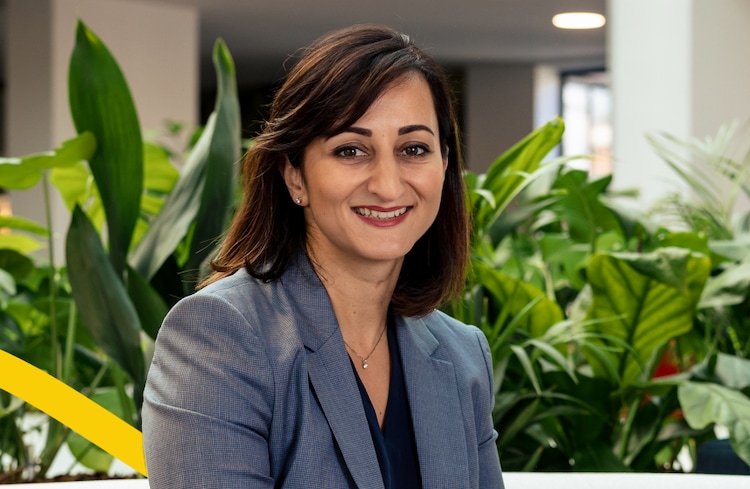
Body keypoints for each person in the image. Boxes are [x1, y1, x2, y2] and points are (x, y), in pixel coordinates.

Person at [142, 24, 504, 488]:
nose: (388, 185)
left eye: (414, 149)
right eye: (351, 150)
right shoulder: (220, 338)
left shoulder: (462, 354)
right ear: (295, 176)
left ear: (445, 165)